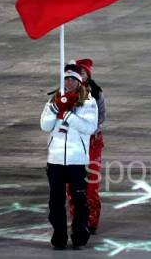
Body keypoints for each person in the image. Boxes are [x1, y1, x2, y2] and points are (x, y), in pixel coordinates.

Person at [41, 63, 98, 250]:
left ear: (79, 82)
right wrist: (55, 109)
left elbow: (89, 128)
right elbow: (45, 126)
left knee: (79, 200)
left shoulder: (89, 102)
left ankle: (79, 235)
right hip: (56, 159)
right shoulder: (53, 101)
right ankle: (59, 235)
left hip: (76, 160)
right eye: (66, 78)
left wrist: (67, 115)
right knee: (56, 201)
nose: (69, 82)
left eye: (73, 78)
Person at [67, 59, 106, 234]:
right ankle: (77, 219)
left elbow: (101, 117)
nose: (79, 75)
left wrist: (85, 128)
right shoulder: (66, 92)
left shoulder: (96, 93)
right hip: (72, 143)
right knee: (72, 184)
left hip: (92, 142)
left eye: (82, 72)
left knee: (91, 184)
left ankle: (92, 220)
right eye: (77, 72)